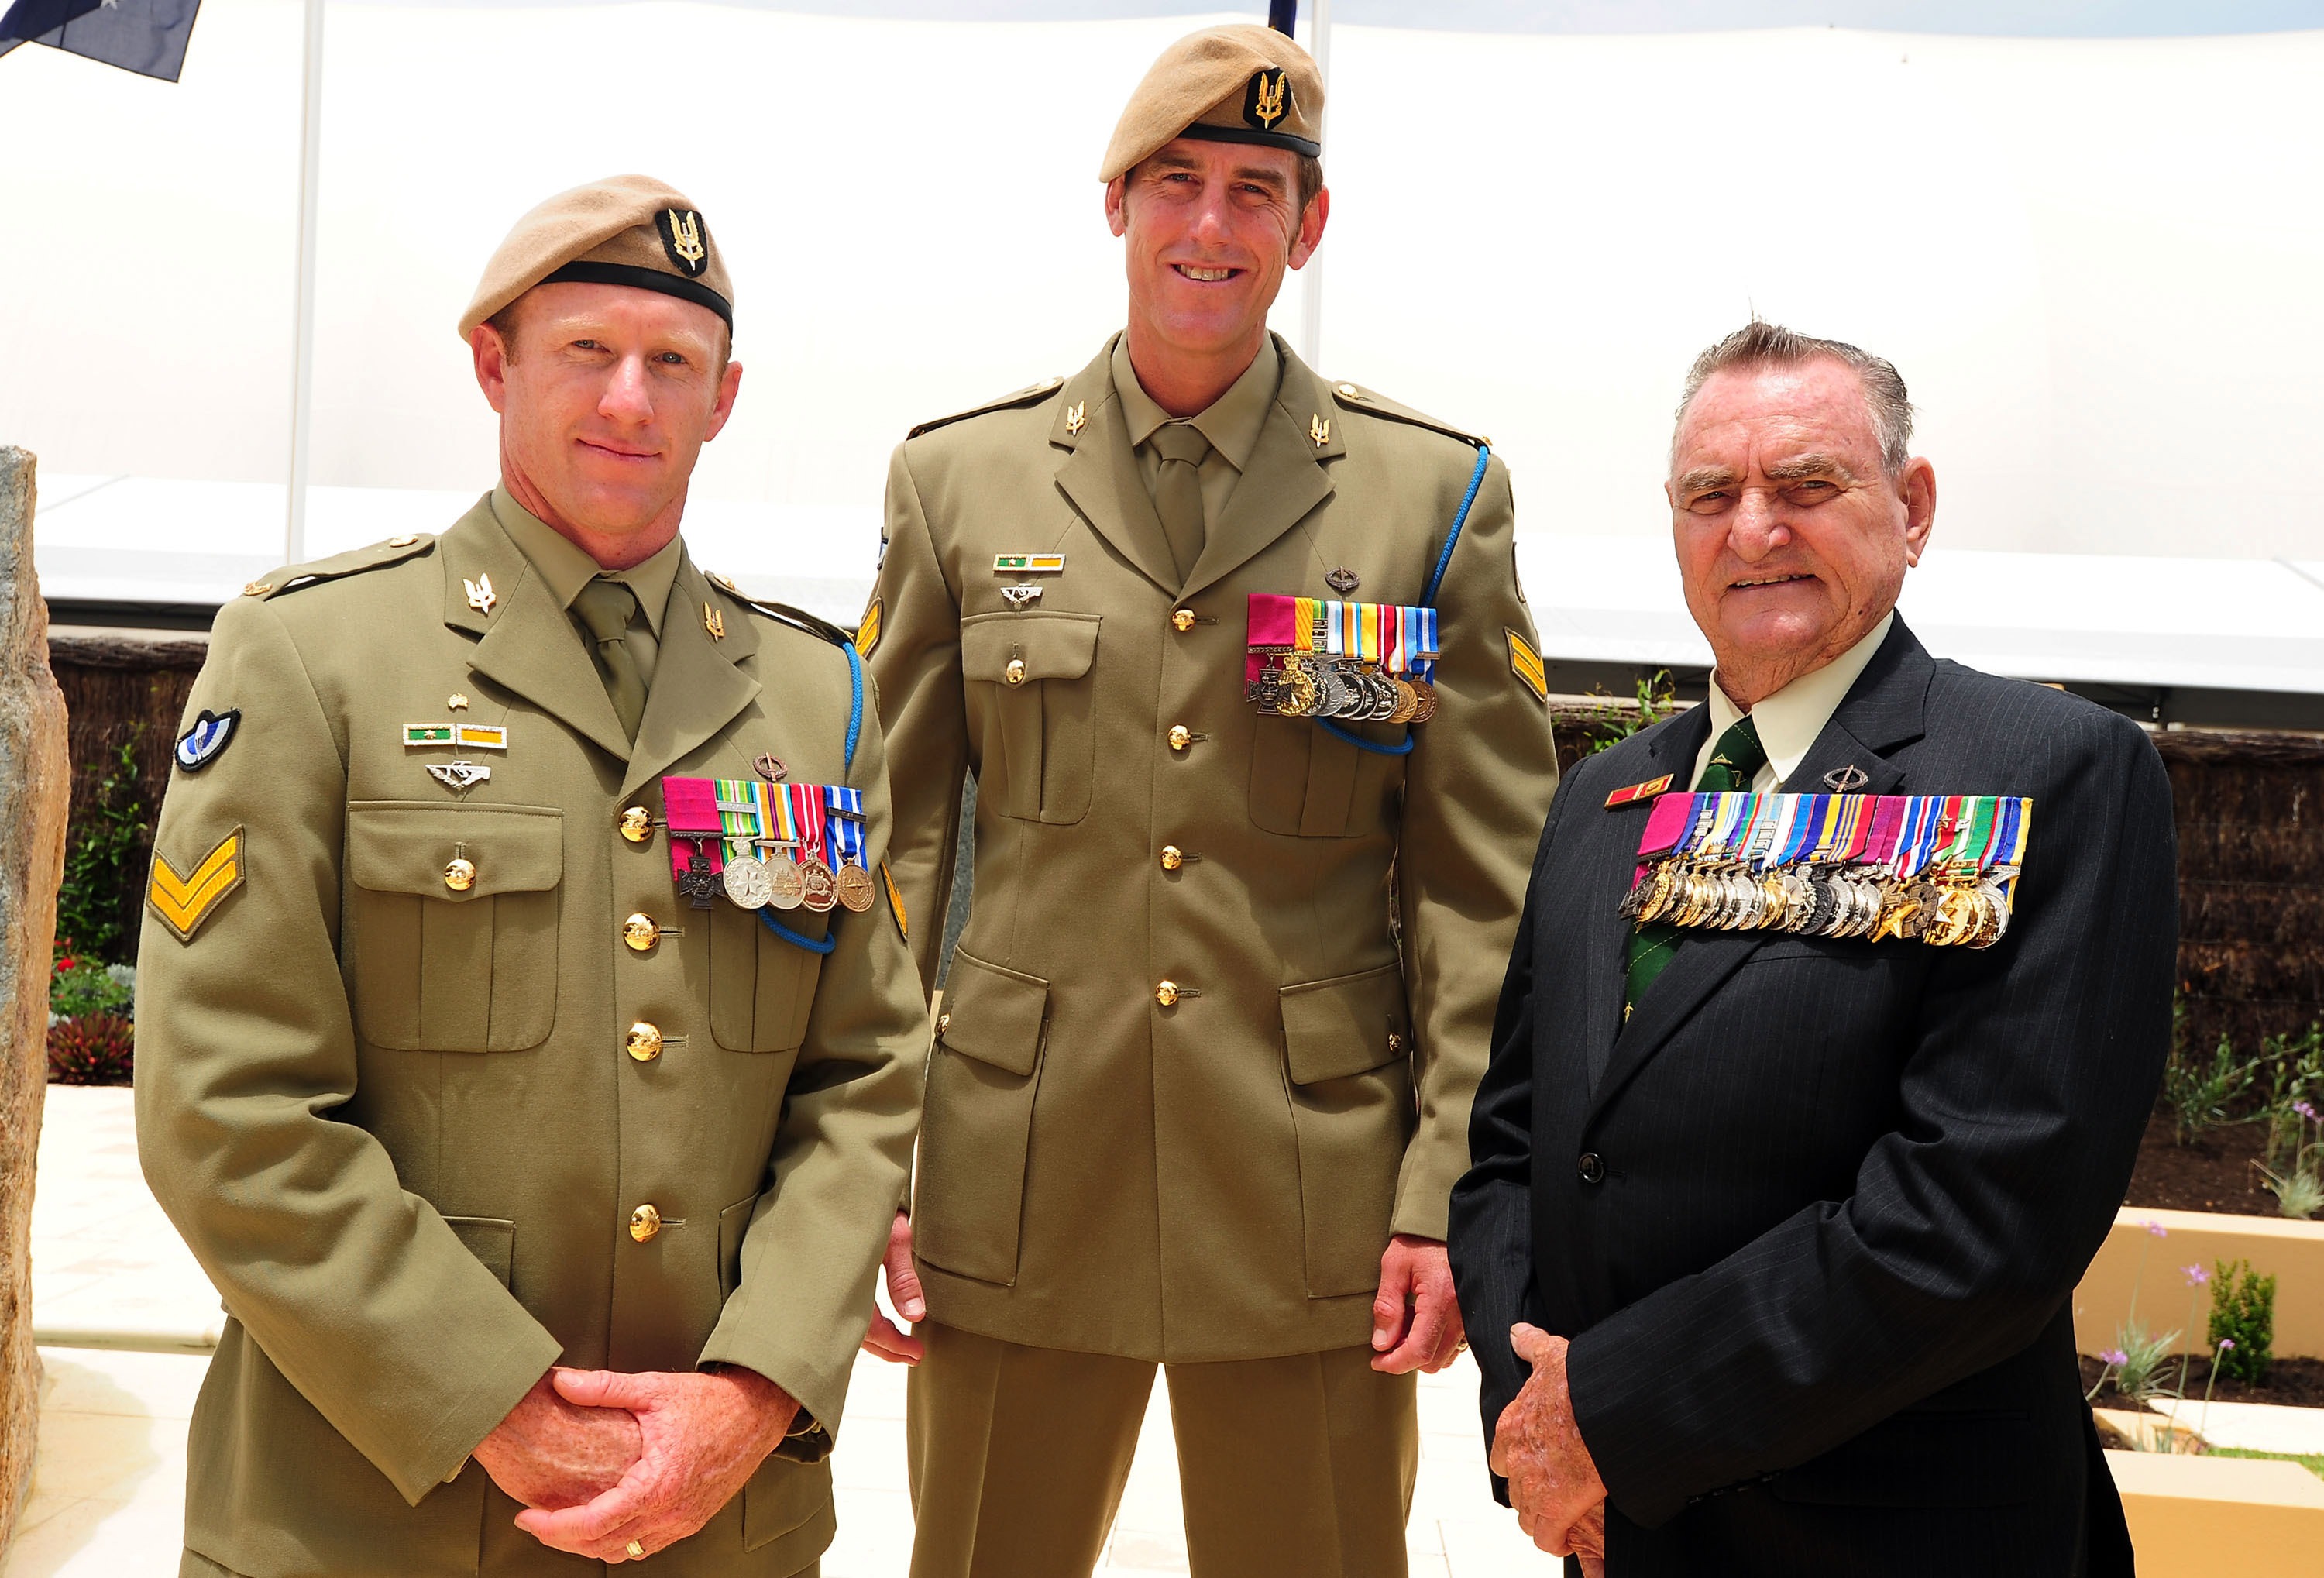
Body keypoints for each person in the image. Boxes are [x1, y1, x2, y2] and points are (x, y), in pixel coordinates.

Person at [136, 175, 927, 1577]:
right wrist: (491, 1398)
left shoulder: (817, 697)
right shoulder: (316, 659)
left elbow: (862, 1079)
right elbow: (227, 1106)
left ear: (724, 397)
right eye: (585, 351)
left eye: (672, 363)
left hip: (720, 1518)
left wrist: (757, 1389)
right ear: (493, 364)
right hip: (366, 1515)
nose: (630, 398)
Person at [858, 22, 1559, 1578]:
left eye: (1257, 190)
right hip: (1014, 1169)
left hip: (1310, 1189)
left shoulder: (1429, 497)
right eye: (1176, 183)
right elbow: (891, 851)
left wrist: (1447, 1189)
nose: (1211, 227)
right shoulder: (958, 483)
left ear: (1310, 228)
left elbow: (1476, 879)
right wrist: (857, 1167)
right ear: (1114, 204)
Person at [1448, 321, 2177, 1576]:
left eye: (1806, 485)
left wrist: (1613, 1415)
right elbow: (1517, 1146)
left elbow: (1978, 1214)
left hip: (1898, 1536)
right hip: (1619, 1528)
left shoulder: (2048, 776)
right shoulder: (1604, 798)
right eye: (1710, 495)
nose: (1753, 529)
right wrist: (1535, 1432)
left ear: (1913, 505)